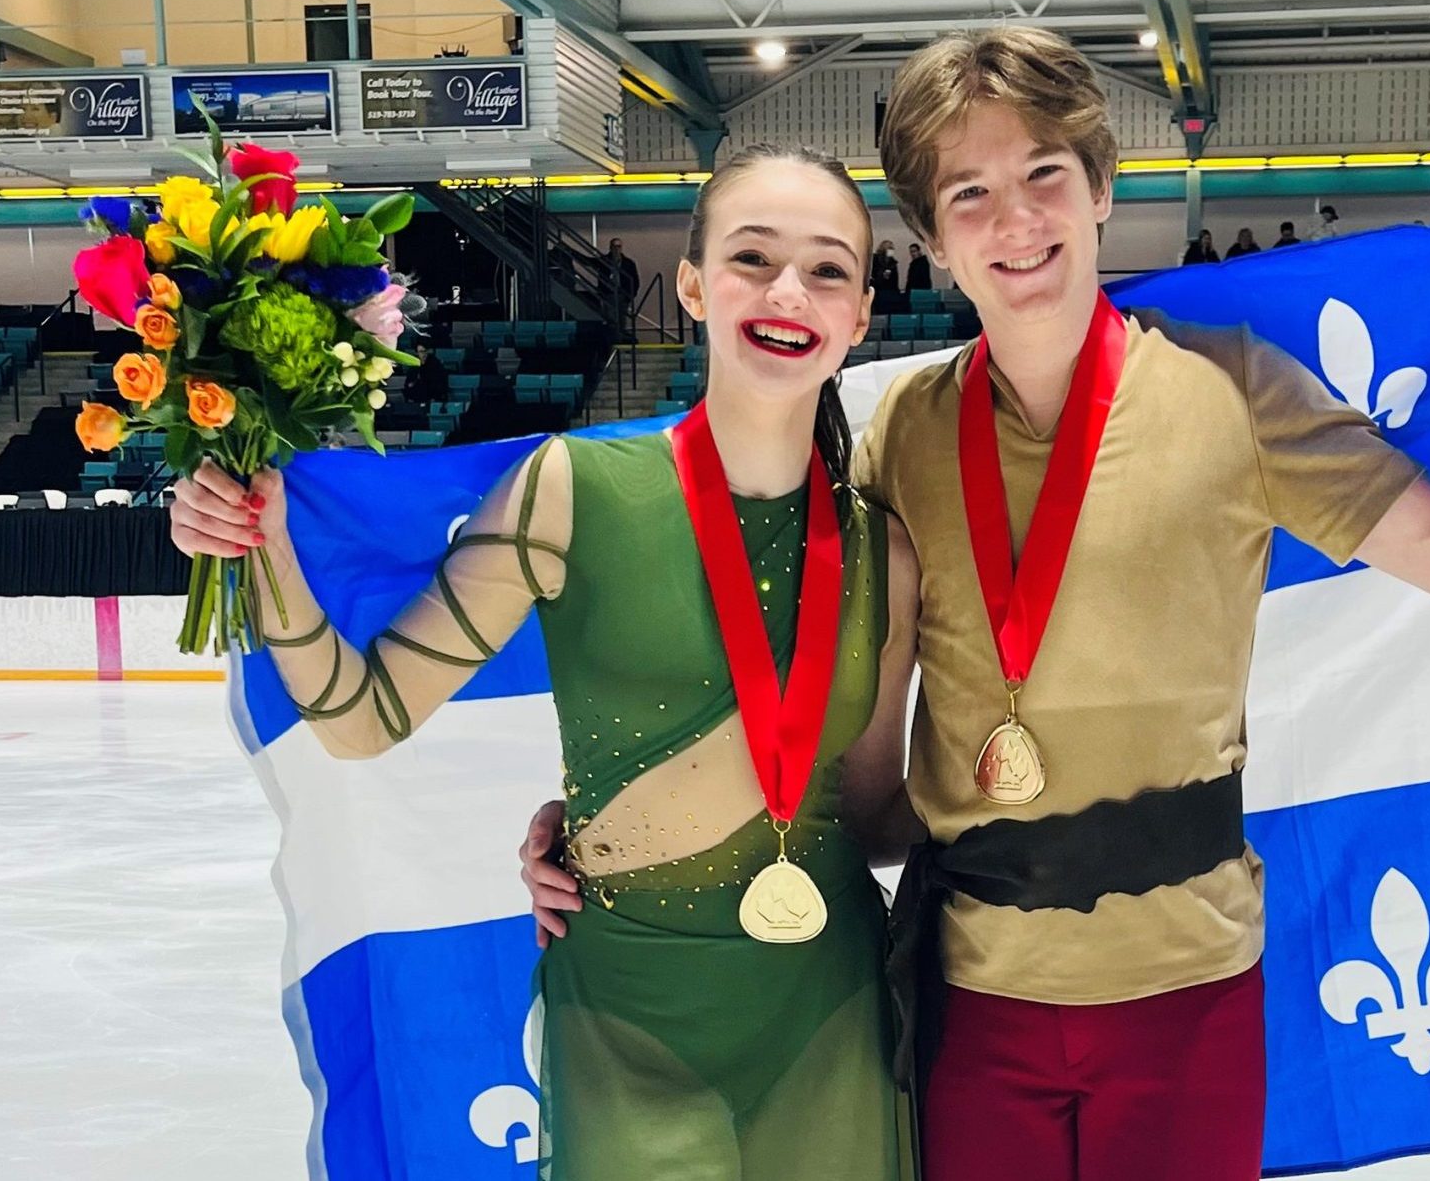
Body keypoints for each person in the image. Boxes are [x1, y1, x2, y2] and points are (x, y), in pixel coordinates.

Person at [525, 26, 1430, 1181]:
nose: (1015, 220)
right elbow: (827, 752)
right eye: (969, 197)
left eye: (1044, 173)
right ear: (934, 244)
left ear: (1101, 185)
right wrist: (616, 836)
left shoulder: (1233, 394)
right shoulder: (899, 438)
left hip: (1185, 989)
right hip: (970, 995)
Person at [173, 144, 914, 1179]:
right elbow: (361, 717)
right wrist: (263, 535)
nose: (789, 290)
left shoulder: (885, 547)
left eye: (829, 268)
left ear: (861, 315)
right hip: (625, 1021)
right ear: (693, 284)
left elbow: (874, 812)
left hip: (833, 1018)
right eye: (753, 257)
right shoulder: (570, 489)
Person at [604, 236, 640, 338]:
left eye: (619, 246)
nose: (617, 249)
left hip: (622, 296)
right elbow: (590, 262)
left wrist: (630, 296)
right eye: (614, 247)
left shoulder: (628, 264)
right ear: (610, 248)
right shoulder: (604, 261)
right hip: (609, 295)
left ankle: (620, 340)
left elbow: (635, 281)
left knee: (621, 320)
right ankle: (613, 341)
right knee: (610, 320)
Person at [871, 240, 902, 313]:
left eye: (892, 248)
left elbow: (895, 278)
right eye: (889, 248)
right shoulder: (875, 259)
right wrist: (882, 275)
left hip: (890, 290)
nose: (891, 250)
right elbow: (872, 274)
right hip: (877, 290)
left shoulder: (893, 262)